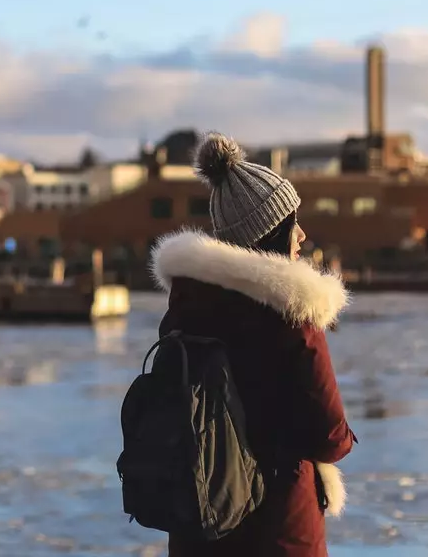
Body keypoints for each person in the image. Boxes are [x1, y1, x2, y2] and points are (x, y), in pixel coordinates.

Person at [151, 132, 356, 557]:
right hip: (276, 525)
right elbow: (330, 436)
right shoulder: (292, 311)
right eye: (291, 224)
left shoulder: (186, 306)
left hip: (199, 523)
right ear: (268, 234)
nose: (301, 236)